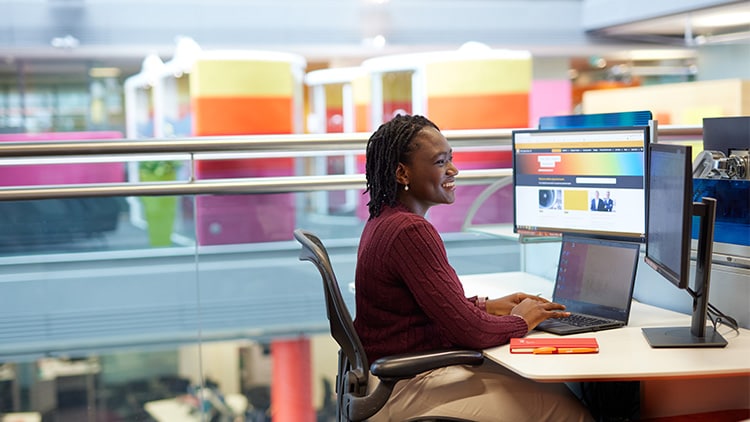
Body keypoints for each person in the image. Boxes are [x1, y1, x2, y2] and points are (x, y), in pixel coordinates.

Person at [353, 114, 593, 422]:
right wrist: (522, 322)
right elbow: (472, 332)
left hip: (390, 379)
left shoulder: (384, 219)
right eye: (441, 162)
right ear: (402, 172)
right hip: (404, 387)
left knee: (553, 390)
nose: (453, 170)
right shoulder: (409, 231)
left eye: (451, 159)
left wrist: (487, 306)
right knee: (571, 412)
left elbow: (424, 308)